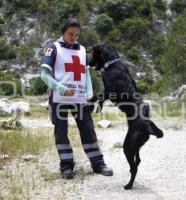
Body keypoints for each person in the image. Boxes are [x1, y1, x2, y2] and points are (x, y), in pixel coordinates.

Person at [40, 18, 113, 179]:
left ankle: (98, 164)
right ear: (63, 32)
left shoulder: (82, 50)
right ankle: (66, 166)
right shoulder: (53, 48)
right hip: (58, 99)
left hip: (80, 99)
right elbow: (44, 75)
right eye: (70, 34)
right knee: (61, 132)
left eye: (77, 35)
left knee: (88, 130)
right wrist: (61, 88)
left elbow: (86, 74)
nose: (73, 37)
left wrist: (89, 93)